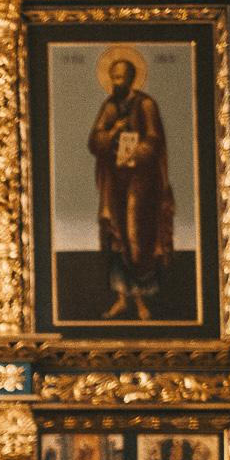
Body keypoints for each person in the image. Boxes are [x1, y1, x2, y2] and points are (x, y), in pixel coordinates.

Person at [87, 49, 173, 320]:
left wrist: (134, 156)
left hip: (142, 183)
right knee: (118, 236)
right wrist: (113, 132)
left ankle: (142, 302)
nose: (116, 82)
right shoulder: (110, 106)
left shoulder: (145, 105)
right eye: (113, 77)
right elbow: (95, 140)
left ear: (132, 78)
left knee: (139, 239)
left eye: (121, 77)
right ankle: (122, 298)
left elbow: (153, 139)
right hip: (115, 182)